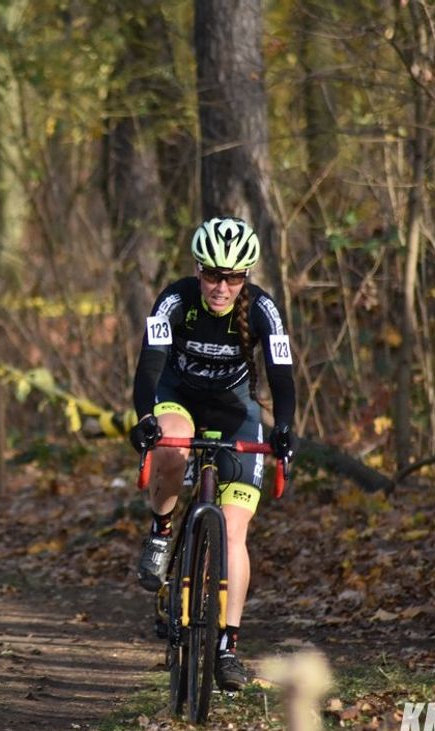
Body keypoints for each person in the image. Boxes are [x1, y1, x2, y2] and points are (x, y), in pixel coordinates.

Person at [128, 216, 295, 691]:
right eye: (213, 275)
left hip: (236, 409)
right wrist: (146, 418)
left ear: (246, 277)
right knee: (172, 444)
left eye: (234, 277)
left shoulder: (263, 309)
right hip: (178, 395)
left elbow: (282, 375)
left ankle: (227, 648)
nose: (222, 286)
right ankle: (161, 532)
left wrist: (283, 428)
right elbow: (148, 364)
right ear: (198, 270)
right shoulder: (175, 299)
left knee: (235, 528)